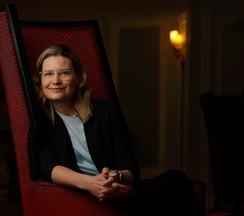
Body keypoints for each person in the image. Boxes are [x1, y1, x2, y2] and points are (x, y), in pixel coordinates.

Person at [33, 44, 205, 216]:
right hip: (80, 194)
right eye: (48, 74)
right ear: (41, 80)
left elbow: (130, 168)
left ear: (78, 76)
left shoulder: (106, 112)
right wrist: (90, 183)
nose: (55, 81)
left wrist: (115, 177)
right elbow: (50, 168)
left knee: (175, 179)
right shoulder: (39, 120)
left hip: (119, 189)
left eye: (64, 72)